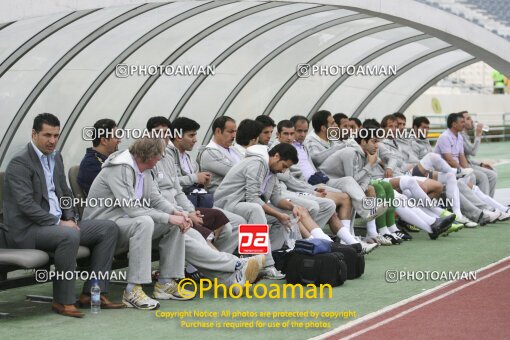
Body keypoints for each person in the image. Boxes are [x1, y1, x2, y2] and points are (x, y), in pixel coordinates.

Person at [4, 113, 122, 318]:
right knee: (68, 235)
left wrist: (72, 218)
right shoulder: (20, 163)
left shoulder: (56, 157)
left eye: (56, 135)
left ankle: (93, 294)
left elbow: (65, 193)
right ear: (34, 134)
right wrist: (59, 222)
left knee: (108, 228)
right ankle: (63, 301)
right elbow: (25, 205)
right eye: (47, 135)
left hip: (58, 225)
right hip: (28, 230)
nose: (52, 140)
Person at [83, 137, 195, 310]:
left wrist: (176, 213)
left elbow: (154, 197)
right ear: (149, 156)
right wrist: (167, 217)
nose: (159, 161)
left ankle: (165, 283)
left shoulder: (146, 169)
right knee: (143, 222)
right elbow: (133, 210)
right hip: (105, 225)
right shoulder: (119, 168)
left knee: (173, 223)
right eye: (158, 157)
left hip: (124, 222)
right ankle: (132, 290)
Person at [197, 116, 241, 193]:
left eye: (235, 132)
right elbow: (236, 172)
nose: (234, 135)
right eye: (230, 132)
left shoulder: (234, 149)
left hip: (238, 197)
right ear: (218, 131)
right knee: (256, 205)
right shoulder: (209, 153)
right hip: (223, 200)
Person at [460, 110, 497, 198]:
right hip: (463, 167)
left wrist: (480, 164)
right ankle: (486, 205)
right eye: (468, 119)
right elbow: (473, 152)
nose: (472, 121)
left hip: (468, 164)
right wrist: (478, 135)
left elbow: (467, 157)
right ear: (461, 122)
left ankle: (490, 203)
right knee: (488, 176)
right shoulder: (461, 135)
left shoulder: (465, 135)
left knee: (493, 172)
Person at [77, 118, 121, 194]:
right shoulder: (90, 165)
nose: (119, 140)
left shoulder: (109, 160)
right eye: (116, 137)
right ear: (104, 141)